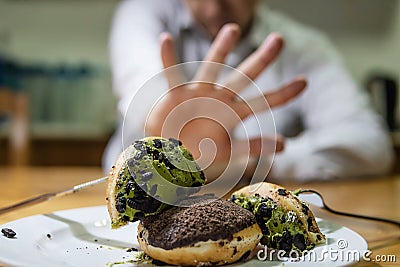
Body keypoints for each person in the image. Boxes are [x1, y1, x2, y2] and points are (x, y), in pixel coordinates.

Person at [103, 0, 394, 182]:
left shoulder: (303, 47)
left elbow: (369, 146)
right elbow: (141, 91)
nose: (215, 6)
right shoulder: (141, 12)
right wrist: (163, 124)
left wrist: (246, 165)